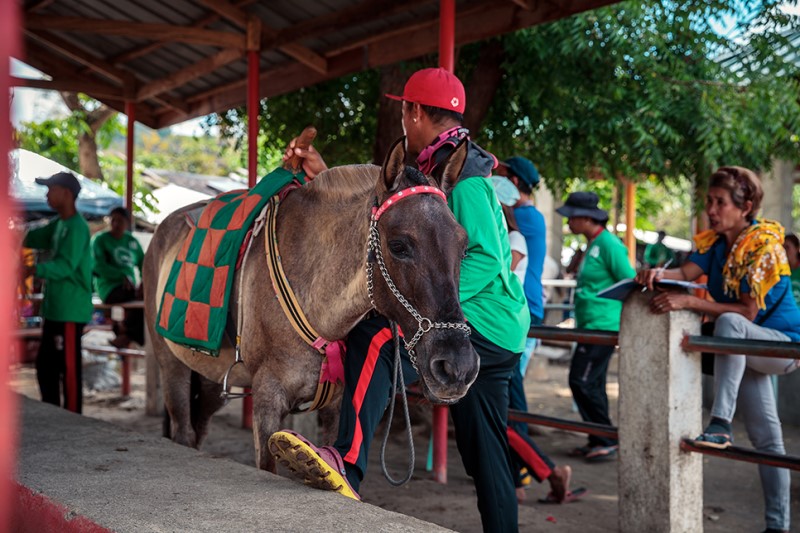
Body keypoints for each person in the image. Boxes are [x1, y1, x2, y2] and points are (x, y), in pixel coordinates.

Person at [270, 67, 530, 532]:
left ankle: (346, 461)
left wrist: (427, 310)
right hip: (503, 328)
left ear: (412, 112)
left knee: (378, 337)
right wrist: (325, 174)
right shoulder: (443, 163)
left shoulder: (464, 175)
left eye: (403, 110)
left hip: (480, 321)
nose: (402, 120)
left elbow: (488, 258)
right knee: (486, 457)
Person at [636, 166, 799, 533]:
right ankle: (778, 527)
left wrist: (689, 303)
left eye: (719, 202)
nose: (711, 209)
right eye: (709, 201)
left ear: (746, 206)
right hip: (744, 348)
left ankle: (721, 423)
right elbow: (685, 276)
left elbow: (746, 312)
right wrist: (654, 275)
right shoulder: (716, 243)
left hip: (781, 347)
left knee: (728, 324)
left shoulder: (764, 245)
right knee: (768, 441)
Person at [492, 176, 580, 505]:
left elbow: (494, 278)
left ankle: (543, 472)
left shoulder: (512, 237)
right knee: (503, 410)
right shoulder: (503, 235)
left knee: (501, 411)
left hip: (501, 334)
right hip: (500, 332)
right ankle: (521, 478)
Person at [557, 191, 635, 462]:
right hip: (590, 325)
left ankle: (606, 438)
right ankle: (597, 438)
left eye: (572, 218)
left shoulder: (610, 245)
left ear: (586, 218)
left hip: (602, 326)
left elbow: (630, 281)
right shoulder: (592, 243)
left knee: (582, 381)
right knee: (593, 383)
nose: (568, 223)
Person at [22, 171, 93, 413]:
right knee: (45, 366)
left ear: (65, 193)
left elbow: (65, 266)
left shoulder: (77, 227)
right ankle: (54, 413)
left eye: (50, 189)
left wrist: (32, 268)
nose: (46, 194)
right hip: (55, 309)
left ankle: (73, 418)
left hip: (70, 311)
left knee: (68, 370)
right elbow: (31, 236)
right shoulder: (59, 224)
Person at [91, 206, 145, 348]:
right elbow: (97, 266)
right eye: (112, 220)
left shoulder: (131, 241)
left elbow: (144, 263)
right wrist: (121, 276)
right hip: (108, 288)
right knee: (140, 299)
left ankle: (125, 331)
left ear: (127, 223)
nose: (115, 224)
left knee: (148, 297)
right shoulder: (100, 240)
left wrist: (144, 282)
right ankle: (127, 333)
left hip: (130, 288)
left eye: (119, 221)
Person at [783, 233, 800, 304]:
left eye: (787, 247)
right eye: (782, 248)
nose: (784, 251)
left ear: (797, 248)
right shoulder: (781, 272)